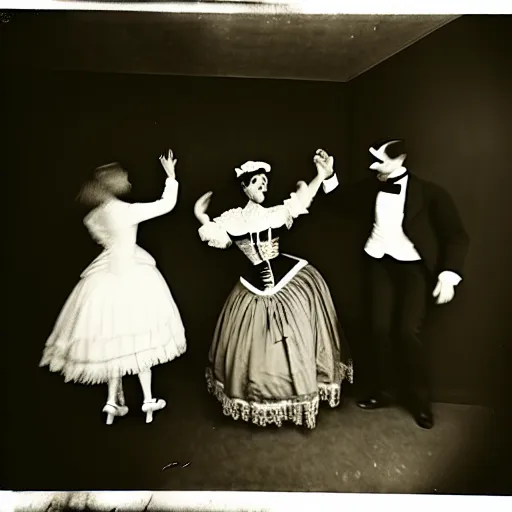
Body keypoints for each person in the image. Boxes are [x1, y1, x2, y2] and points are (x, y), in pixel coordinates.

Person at [314, 142, 469, 429]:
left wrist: (449, 274)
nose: (372, 167)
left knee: (407, 332)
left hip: (413, 268)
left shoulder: (430, 193)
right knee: (378, 329)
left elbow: (456, 235)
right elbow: (340, 199)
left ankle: (419, 402)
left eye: (380, 161)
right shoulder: (374, 185)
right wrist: (327, 174)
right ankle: (382, 392)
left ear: (400, 159)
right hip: (378, 264)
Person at [193, 156, 353, 429]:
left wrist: (320, 175)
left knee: (296, 337)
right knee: (252, 345)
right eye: (257, 183)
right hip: (254, 285)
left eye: (265, 183)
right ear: (244, 187)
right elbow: (214, 236)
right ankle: (261, 398)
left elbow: (301, 202)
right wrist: (200, 216)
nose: (263, 188)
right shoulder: (232, 220)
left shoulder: (276, 213)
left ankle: (300, 394)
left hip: (287, 279)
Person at [40, 150, 187, 425]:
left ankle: (111, 403)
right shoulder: (127, 211)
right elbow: (165, 205)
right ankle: (147, 400)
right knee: (141, 340)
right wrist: (171, 177)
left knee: (113, 341)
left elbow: (104, 238)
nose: (128, 180)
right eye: (124, 178)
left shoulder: (94, 217)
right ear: (114, 183)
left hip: (105, 277)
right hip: (133, 275)